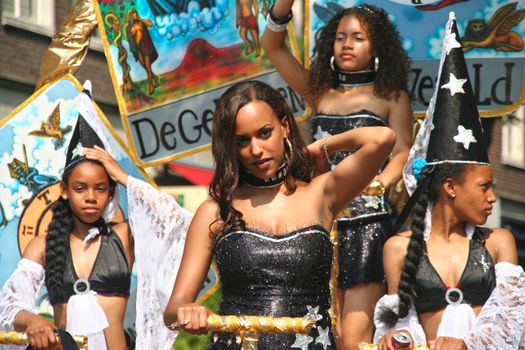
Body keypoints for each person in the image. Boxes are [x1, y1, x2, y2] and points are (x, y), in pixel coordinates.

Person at [162, 80, 395, 349]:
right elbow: (172, 311)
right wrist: (188, 312)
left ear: (284, 127)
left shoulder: (322, 193)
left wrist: (317, 148)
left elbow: (382, 138)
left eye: (264, 133)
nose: (256, 150)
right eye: (242, 141)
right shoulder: (214, 212)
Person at [262, 3, 412, 348]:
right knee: (316, 328)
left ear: (377, 47)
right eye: (340, 37)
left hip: (367, 222)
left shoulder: (392, 97)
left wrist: (379, 184)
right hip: (317, 223)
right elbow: (272, 46)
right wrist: (283, 5)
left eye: (358, 38)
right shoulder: (319, 92)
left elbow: (402, 150)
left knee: (354, 336)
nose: (347, 44)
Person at [374, 13, 525, 350]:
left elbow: (513, 320)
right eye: (484, 186)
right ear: (451, 187)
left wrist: (468, 344)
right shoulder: (399, 249)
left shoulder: (498, 242)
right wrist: (397, 338)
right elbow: (403, 322)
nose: (492, 198)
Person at [0, 85, 191, 350]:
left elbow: (177, 221)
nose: (91, 196)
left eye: (100, 188)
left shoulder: (124, 236)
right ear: (64, 191)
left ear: (111, 191)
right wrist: (32, 320)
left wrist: (123, 177)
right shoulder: (43, 245)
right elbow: (9, 305)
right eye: (80, 188)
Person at [125, 8, 159, 95]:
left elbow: (150, 24)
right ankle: (155, 77)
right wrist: (132, 32)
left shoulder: (140, 22)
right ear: (130, 16)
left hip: (146, 46)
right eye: (134, 14)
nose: (135, 15)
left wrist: (139, 19)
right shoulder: (128, 26)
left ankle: (151, 85)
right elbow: (127, 37)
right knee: (143, 64)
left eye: (136, 13)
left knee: (147, 66)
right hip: (137, 49)